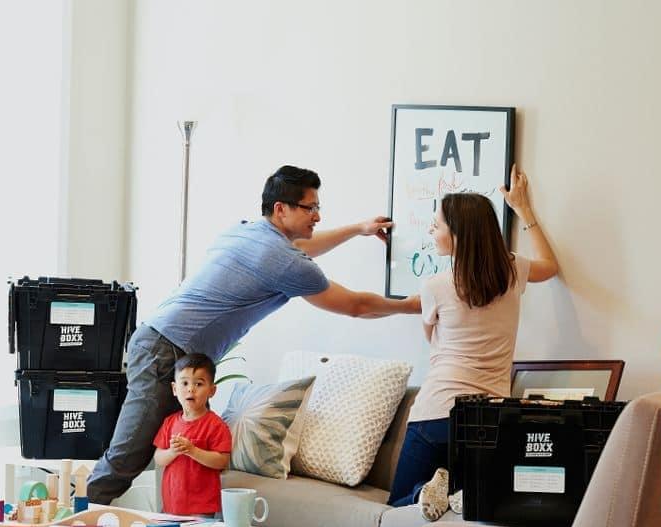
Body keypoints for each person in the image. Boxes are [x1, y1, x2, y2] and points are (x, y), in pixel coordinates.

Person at [88, 165, 421, 504]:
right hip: (168, 351)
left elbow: (303, 246)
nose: (317, 216)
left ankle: (83, 516)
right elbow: (356, 305)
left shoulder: (246, 230)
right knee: (130, 453)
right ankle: (73, 525)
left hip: (158, 340)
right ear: (281, 209)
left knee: (137, 449)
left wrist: (357, 229)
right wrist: (412, 305)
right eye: (311, 208)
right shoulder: (284, 261)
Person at [386, 164, 560, 521]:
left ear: (459, 233)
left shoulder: (435, 286)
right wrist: (523, 210)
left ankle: (429, 492)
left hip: (436, 413)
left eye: (438, 223)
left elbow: (431, 338)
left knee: (399, 505)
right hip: (491, 417)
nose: (432, 228)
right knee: (475, 506)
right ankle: (456, 494)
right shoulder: (513, 271)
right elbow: (550, 266)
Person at [152, 353, 232, 516]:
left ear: (212, 390)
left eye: (199, 384)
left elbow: (222, 461)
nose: (190, 389)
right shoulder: (170, 422)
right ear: (175, 389)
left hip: (201, 507)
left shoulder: (216, 425)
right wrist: (173, 452)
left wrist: (193, 451)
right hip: (171, 503)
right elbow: (159, 458)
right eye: (185, 383)